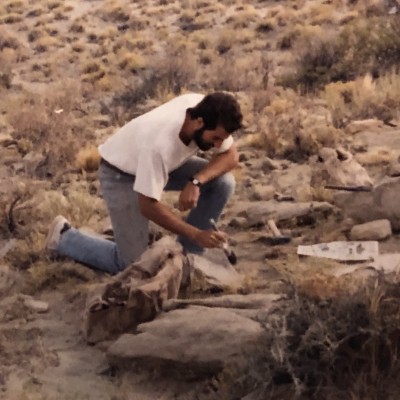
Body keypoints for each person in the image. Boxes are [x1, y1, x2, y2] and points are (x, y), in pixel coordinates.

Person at [45, 92, 243, 274]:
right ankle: (64, 237)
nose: (217, 145)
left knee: (222, 182)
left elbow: (231, 155)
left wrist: (196, 182)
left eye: (221, 139)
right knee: (131, 265)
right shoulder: (159, 145)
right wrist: (196, 233)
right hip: (121, 174)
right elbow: (148, 206)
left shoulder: (206, 108)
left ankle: (185, 258)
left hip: (164, 165)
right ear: (199, 123)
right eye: (215, 138)